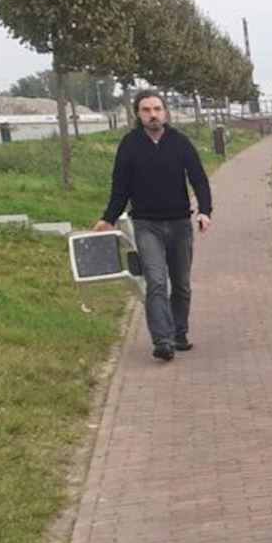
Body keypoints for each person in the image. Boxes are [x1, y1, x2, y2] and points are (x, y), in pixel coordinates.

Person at [92, 90, 212, 361]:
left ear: (165, 112)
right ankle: (163, 341)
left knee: (181, 285)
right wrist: (108, 218)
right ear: (138, 114)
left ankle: (179, 333)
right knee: (156, 281)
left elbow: (198, 179)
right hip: (147, 225)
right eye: (146, 110)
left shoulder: (180, 143)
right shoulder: (129, 145)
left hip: (180, 223)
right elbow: (120, 188)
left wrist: (205, 211)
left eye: (157, 109)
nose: (153, 114)